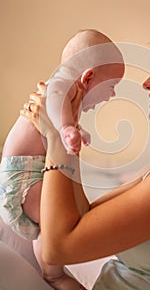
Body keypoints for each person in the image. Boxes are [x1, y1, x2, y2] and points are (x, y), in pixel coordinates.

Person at [22, 28, 150, 290]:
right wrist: (69, 125)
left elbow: (58, 248)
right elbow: (81, 217)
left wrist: (55, 136)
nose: (146, 82)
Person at [0, 29, 124, 290]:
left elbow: (55, 122)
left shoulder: (69, 101)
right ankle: (53, 271)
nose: (111, 96)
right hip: (23, 178)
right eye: (111, 87)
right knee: (68, 219)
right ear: (88, 77)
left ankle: (51, 273)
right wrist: (68, 129)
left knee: (51, 229)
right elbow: (53, 105)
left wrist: (73, 129)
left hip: (28, 178)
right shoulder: (59, 86)